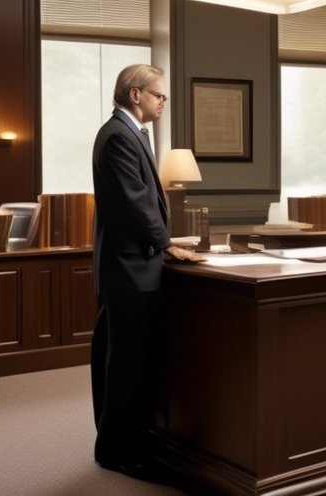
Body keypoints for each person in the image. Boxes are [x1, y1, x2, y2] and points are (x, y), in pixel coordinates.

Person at [90, 63, 203, 478]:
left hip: (134, 263)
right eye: (159, 95)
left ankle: (127, 444)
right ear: (136, 94)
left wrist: (164, 244)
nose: (163, 102)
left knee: (128, 361)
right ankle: (118, 452)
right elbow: (135, 202)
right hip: (129, 267)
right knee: (127, 364)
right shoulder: (119, 135)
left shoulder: (128, 132)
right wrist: (167, 243)